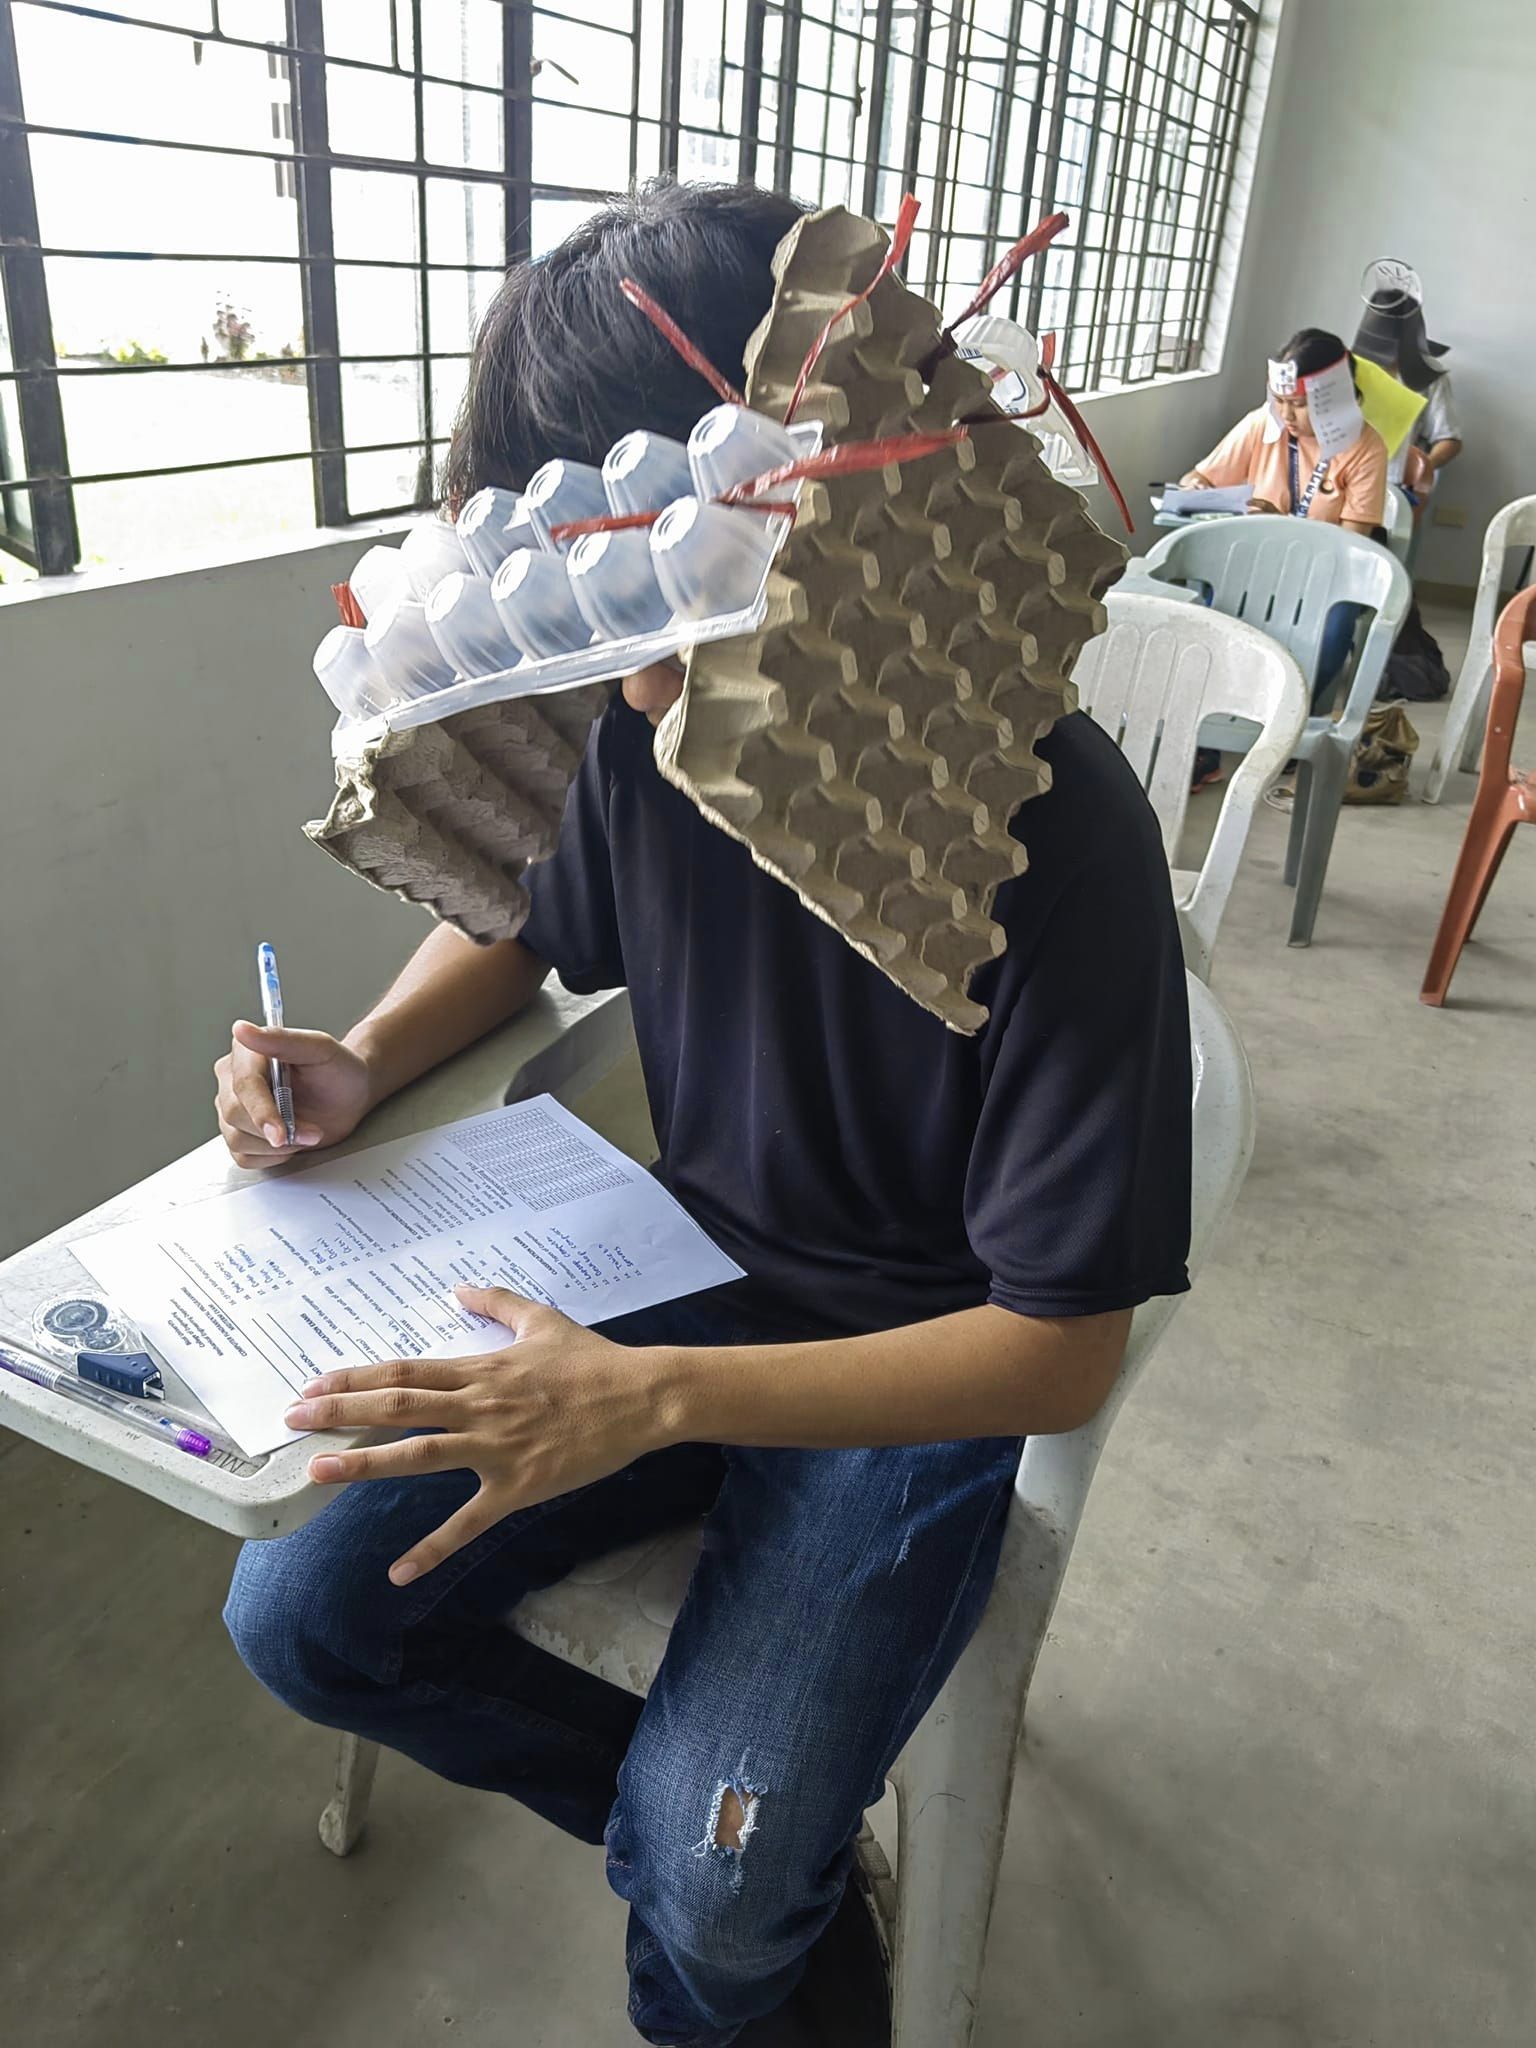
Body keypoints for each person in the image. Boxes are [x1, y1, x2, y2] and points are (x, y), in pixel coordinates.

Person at [215, 181, 1192, 2048]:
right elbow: (529, 933)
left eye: (669, 594)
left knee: (718, 1867)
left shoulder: (1052, 826)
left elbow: (1058, 1349)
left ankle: (741, 1908)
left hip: (917, 1357)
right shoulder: (659, 740)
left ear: (821, 494)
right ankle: (753, 1887)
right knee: (307, 1623)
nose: (640, 672)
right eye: (600, 603)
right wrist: (362, 1052)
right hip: (678, 1270)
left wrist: (649, 1398)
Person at [1182, 329, 1388, 711]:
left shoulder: (1365, 448)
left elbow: (1352, 545)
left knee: (1334, 627)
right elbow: (1201, 477)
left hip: (1326, 578)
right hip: (1251, 564)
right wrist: (1196, 488)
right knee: (1211, 609)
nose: (1286, 415)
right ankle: (1214, 713)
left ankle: (1291, 717)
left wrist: (1283, 525)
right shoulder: (1262, 424)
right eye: (1279, 401)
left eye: (1299, 404)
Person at [1353, 280, 1462, 502]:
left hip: (1395, 488)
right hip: (1342, 480)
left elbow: (1449, 439)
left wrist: (1422, 469)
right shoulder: (1346, 367)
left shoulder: (1428, 378)